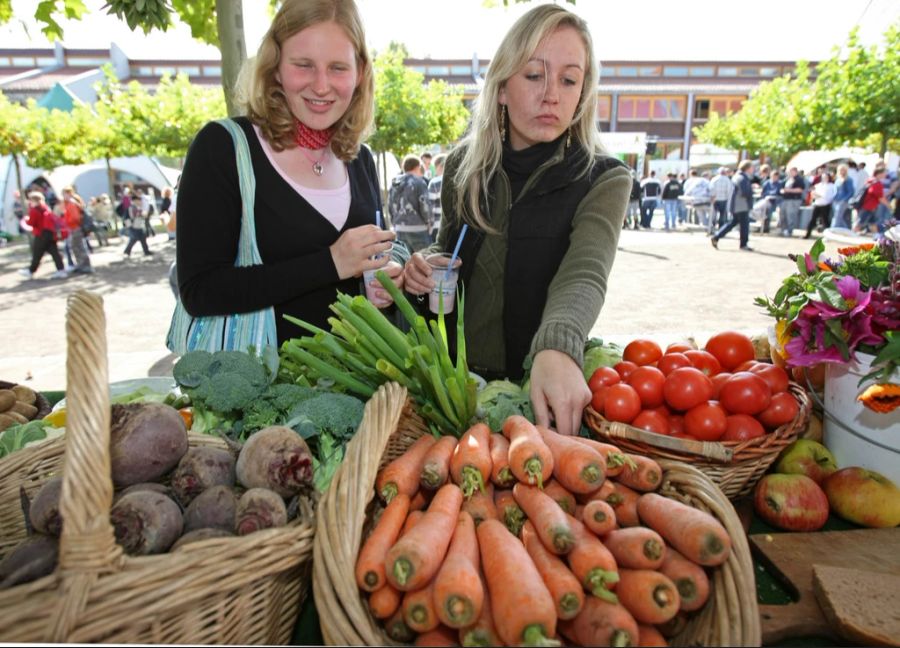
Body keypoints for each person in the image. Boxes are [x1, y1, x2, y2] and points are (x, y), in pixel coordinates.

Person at [402, 4, 631, 436]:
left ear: (583, 92)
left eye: (569, 79)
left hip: (537, 392)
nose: (552, 94)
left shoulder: (604, 178)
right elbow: (451, 246)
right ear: (502, 86)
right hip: (455, 386)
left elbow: (585, 272)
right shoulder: (463, 167)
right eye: (533, 75)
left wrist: (557, 347)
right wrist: (425, 263)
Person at [175, 0, 405, 347]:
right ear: (276, 66)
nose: (322, 85)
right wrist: (330, 263)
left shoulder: (360, 159)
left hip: (354, 390)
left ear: (359, 74)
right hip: (256, 392)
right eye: (304, 65)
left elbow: (367, 265)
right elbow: (200, 292)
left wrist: (386, 278)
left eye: (338, 68)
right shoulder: (223, 148)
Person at [17, 192, 68, 280]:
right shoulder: (45, 208)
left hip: (41, 234)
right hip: (50, 233)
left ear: (33, 200)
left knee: (37, 253)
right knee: (54, 252)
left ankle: (31, 271)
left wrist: (26, 219)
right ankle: (61, 270)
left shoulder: (34, 210)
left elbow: (31, 223)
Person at [388, 155, 432, 251]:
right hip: (418, 228)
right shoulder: (419, 182)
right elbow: (424, 205)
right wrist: (429, 222)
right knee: (422, 261)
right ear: (417, 167)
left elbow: (390, 206)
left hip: (400, 228)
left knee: (405, 261)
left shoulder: (394, 184)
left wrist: (395, 223)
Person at [711, 159, 754, 251]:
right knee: (744, 225)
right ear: (748, 168)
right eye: (751, 167)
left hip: (736, 204)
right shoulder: (742, 178)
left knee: (732, 222)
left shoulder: (737, 176)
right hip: (741, 204)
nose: (753, 169)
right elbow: (744, 191)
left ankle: (717, 236)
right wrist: (751, 192)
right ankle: (743, 244)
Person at [62, 185, 93, 273]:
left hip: (75, 227)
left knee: (78, 247)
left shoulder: (71, 203)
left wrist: (68, 222)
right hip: (75, 227)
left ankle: (84, 266)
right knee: (77, 247)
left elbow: (75, 217)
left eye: (64, 194)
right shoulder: (73, 202)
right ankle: (81, 265)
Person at [804, 171, 836, 238]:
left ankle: (828, 236)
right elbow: (813, 194)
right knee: (813, 220)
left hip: (825, 205)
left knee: (826, 220)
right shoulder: (818, 185)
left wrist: (819, 195)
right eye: (823, 177)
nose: (824, 179)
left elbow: (827, 196)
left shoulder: (831, 186)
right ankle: (807, 234)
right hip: (817, 204)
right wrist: (817, 195)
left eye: (826, 177)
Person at [778, 167, 805, 237]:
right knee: (782, 215)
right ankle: (783, 230)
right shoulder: (787, 179)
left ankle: (789, 230)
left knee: (791, 215)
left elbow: (800, 190)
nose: (789, 173)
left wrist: (789, 190)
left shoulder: (799, 179)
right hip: (785, 199)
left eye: (791, 171)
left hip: (794, 200)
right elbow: (782, 187)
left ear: (795, 171)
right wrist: (782, 191)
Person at [426, 154, 446, 240]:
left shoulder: (434, 182)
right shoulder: (458, 180)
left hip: (437, 226)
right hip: (453, 226)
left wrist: (429, 228)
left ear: (438, 166)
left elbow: (430, 207)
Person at [708, 166, 733, 234]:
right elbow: (729, 191)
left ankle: (712, 227)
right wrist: (728, 199)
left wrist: (712, 196)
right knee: (722, 214)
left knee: (713, 214)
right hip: (723, 199)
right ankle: (721, 228)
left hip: (715, 199)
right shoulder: (727, 180)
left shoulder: (714, 179)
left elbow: (711, 188)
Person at [831, 164, 854, 229]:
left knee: (837, 216)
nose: (841, 171)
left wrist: (844, 200)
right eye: (840, 170)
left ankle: (833, 229)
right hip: (836, 200)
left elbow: (851, 191)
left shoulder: (848, 179)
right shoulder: (838, 179)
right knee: (839, 217)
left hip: (843, 201)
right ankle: (845, 229)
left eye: (843, 170)